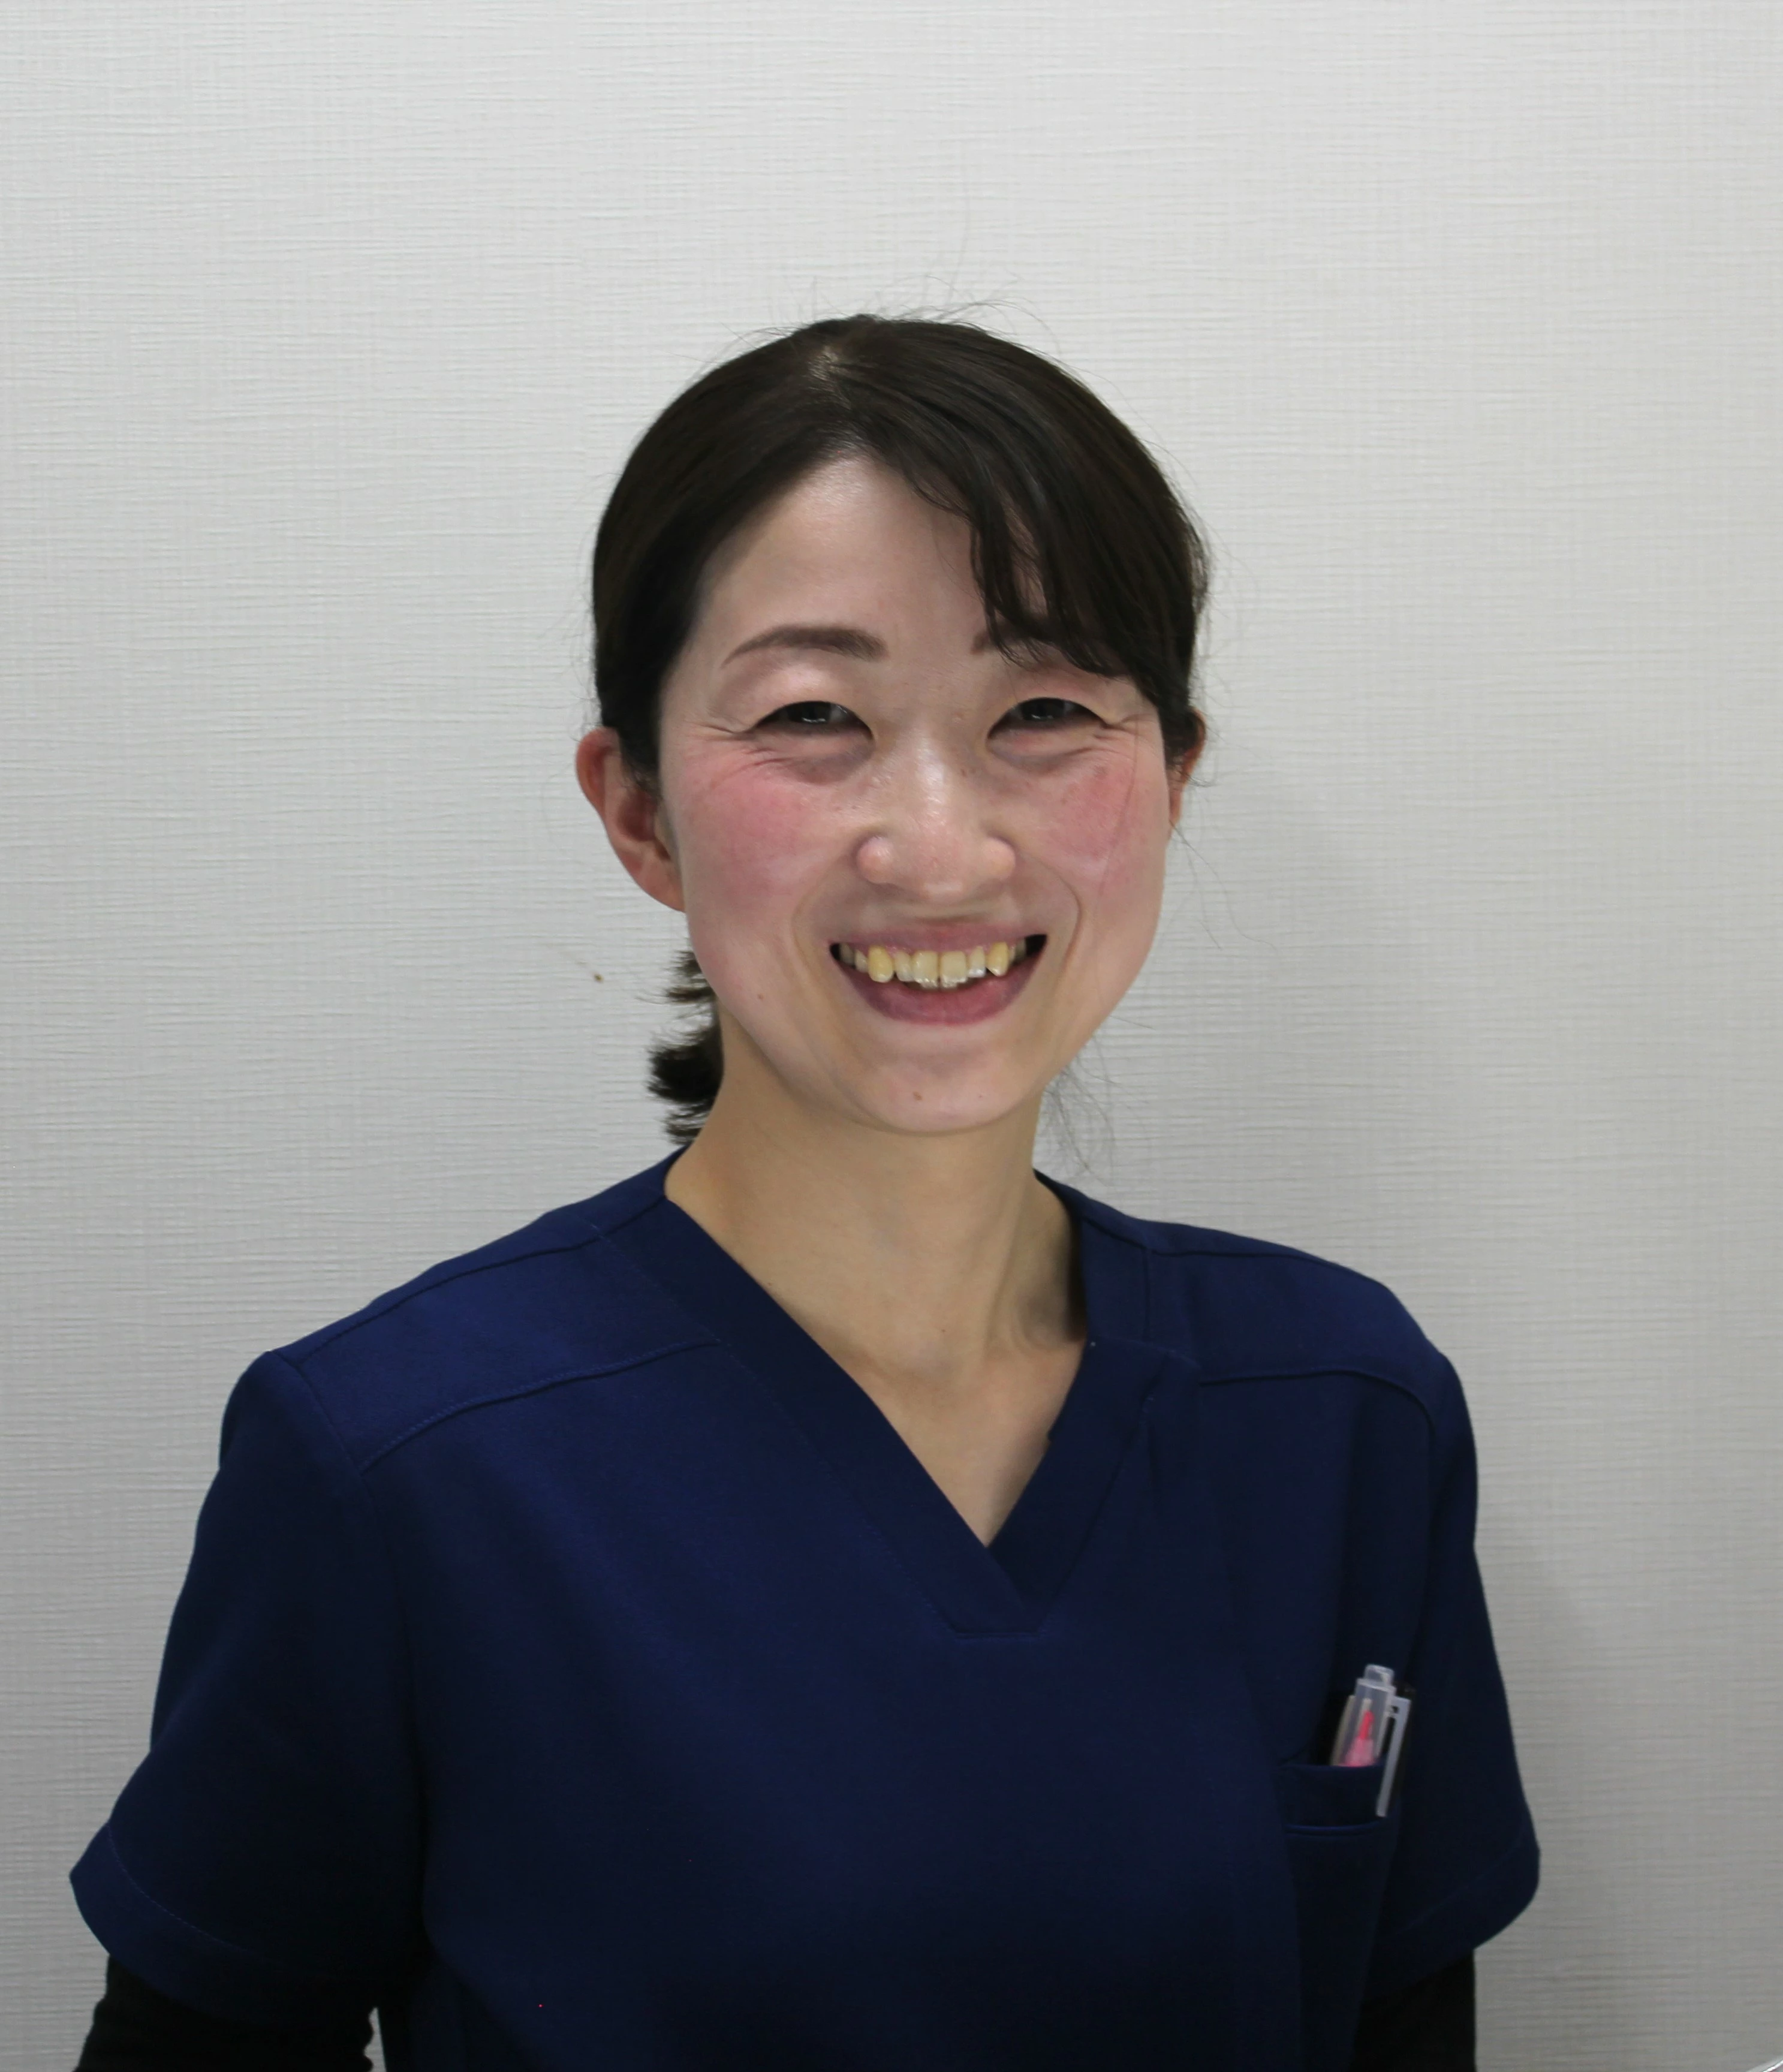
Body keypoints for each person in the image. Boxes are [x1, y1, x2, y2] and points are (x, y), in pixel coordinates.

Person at [70, 315, 1537, 2071]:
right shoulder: (397, 1468)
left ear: (1170, 777)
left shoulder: (1343, 1412)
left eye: (1045, 712)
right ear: (638, 813)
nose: (939, 845)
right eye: (814, 718)